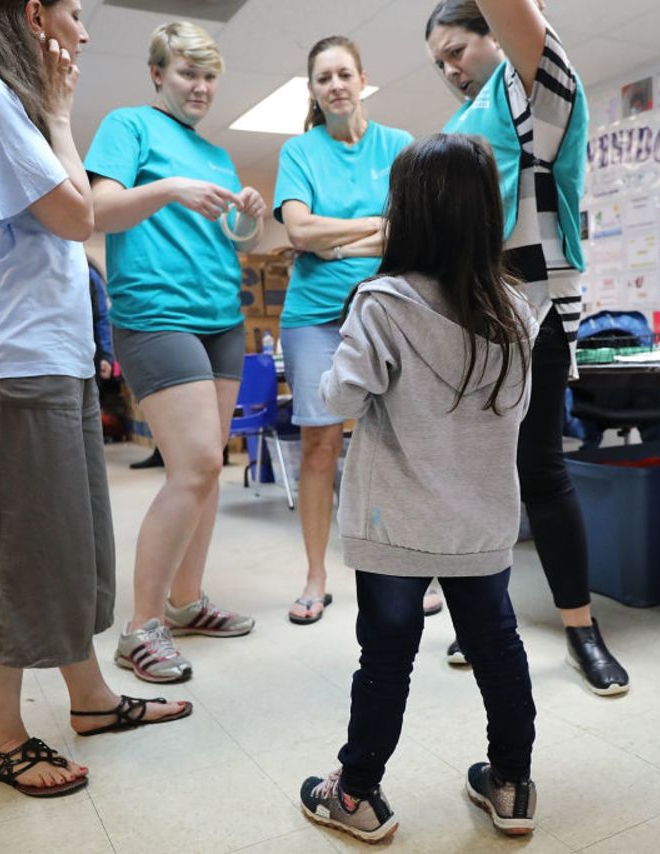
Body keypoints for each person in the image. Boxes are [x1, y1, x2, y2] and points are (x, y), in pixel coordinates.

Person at [0, 0, 190, 798]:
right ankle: (1, 737)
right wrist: (64, 117)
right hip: (6, 358)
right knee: (14, 550)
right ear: (33, 14)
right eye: (74, 12)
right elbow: (76, 216)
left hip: (43, 354)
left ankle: (92, 700)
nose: (84, 31)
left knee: (67, 541)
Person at [299, 133, 539, 842]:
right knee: (498, 646)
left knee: (388, 655)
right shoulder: (516, 312)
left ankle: (357, 793)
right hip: (483, 519)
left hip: (394, 517)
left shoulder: (381, 303)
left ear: (408, 213)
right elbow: (518, 411)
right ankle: (512, 783)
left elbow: (340, 399)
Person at [425, 0, 628, 694]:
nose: (449, 68)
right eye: (438, 61)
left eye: (456, 49)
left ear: (493, 33)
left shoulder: (534, 85)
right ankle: (483, 620)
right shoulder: (460, 122)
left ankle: (580, 629)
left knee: (540, 468)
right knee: (477, 475)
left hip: (537, 302)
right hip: (470, 313)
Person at [85, 20, 266, 683]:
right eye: (188, 73)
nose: (201, 86)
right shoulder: (128, 126)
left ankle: (186, 603)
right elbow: (98, 211)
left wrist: (249, 214)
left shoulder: (215, 156)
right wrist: (168, 189)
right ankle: (141, 628)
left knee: (207, 466)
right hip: (156, 314)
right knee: (191, 464)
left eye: (209, 75)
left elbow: (236, 239)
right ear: (158, 74)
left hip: (220, 314)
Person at [273, 36, 427, 626]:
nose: (335, 85)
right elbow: (298, 232)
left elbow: (409, 229)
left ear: (363, 78)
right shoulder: (299, 151)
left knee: (397, 441)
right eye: (322, 78)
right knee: (318, 443)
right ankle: (316, 575)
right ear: (313, 90)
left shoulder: (400, 146)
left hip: (388, 307)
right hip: (313, 314)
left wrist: (336, 242)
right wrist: (370, 226)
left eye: (343, 74)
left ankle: (410, 565)